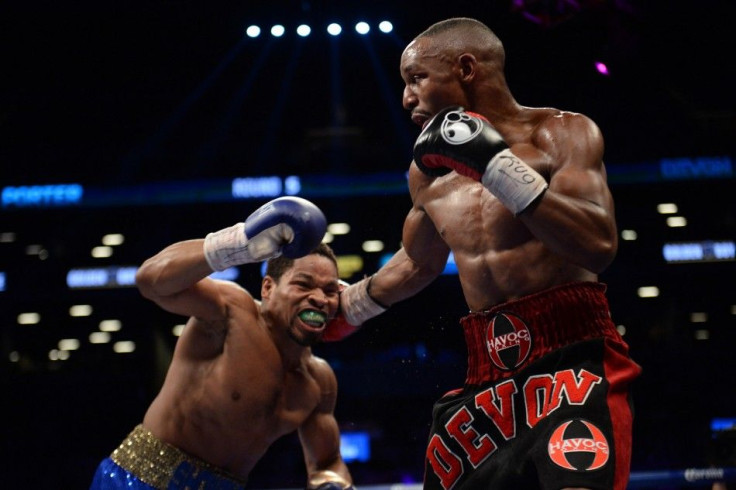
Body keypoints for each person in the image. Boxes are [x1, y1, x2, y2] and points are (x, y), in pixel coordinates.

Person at [327, 17, 642, 490]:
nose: (407, 98)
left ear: (467, 68)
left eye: (417, 79)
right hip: (487, 372)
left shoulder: (559, 134)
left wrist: (497, 168)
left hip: (574, 361)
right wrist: (349, 306)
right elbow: (417, 262)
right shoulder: (426, 171)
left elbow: (597, 245)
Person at [90, 197, 354, 490]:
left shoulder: (319, 381)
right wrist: (237, 243)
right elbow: (150, 281)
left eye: (330, 290)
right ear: (268, 287)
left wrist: (333, 483)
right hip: (143, 479)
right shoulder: (233, 312)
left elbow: (327, 462)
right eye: (303, 285)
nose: (319, 298)